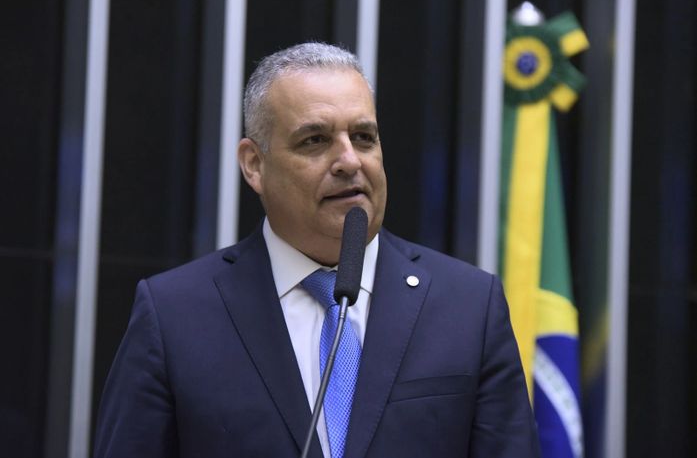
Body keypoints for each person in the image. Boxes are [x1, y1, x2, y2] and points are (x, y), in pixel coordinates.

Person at [94, 42, 540, 458]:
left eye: (363, 137)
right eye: (315, 140)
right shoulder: (174, 314)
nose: (349, 160)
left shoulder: (468, 306)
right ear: (254, 164)